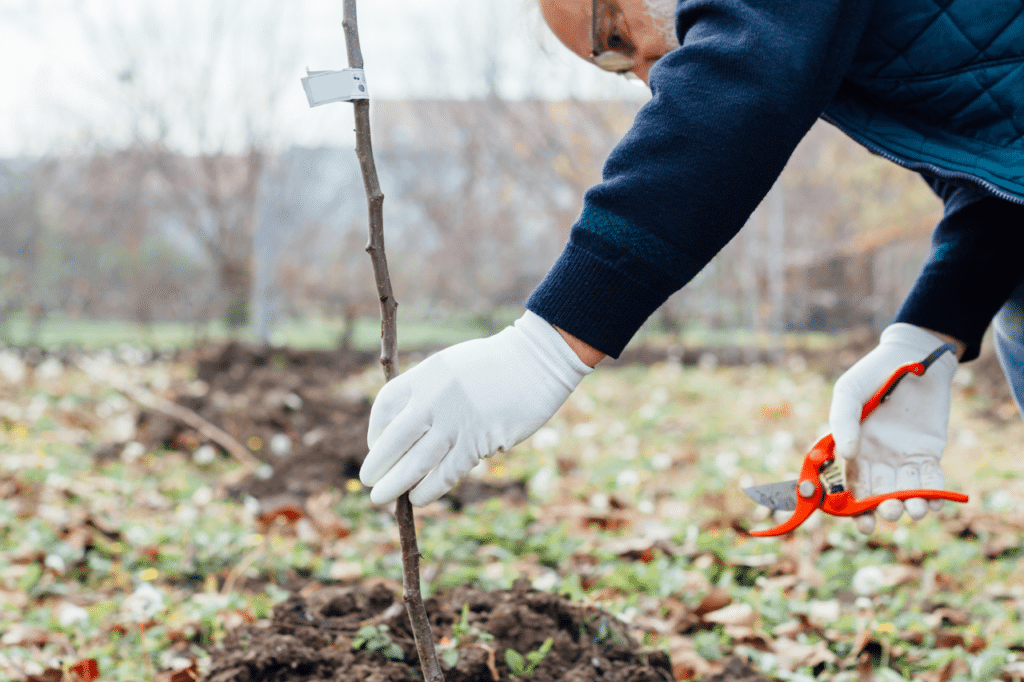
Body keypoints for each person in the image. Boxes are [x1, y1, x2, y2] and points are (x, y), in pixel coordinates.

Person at [360, 0, 1024, 534]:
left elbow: (740, 87)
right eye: (619, 72)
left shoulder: (769, 43)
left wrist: (547, 345)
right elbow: (1002, 183)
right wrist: (926, 336)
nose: (646, 77)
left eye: (617, 36)